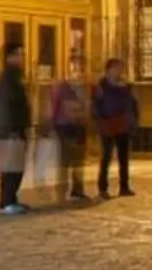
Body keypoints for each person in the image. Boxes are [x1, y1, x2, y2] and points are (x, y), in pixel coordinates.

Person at [0, 48, 33, 215]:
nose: (22, 57)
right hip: (11, 128)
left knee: (17, 166)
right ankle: (6, 201)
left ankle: (12, 198)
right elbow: (8, 106)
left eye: (23, 54)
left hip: (17, 126)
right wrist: (12, 129)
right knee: (11, 166)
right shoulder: (8, 78)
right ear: (9, 57)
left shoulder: (17, 76)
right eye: (18, 54)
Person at [92, 56, 139, 197]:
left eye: (121, 69)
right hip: (107, 124)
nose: (119, 72)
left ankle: (124, 187)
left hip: (123, 124)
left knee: (123, 157)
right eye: (116, 68)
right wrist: (100, 121)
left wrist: (134, 121)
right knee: (106, 156)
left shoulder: (126, 87)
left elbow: (133, 105)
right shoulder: (101, 87)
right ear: (108, 70)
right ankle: (103, 188)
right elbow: (96, 106)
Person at [48, 67, 92, 203]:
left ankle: (77, 189)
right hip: (65, 127)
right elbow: (61, 109)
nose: (78, 75)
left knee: (78, 160)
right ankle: (62, 191)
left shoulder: (85, 89)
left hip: (79, 126)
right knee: (66, 160)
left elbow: (89, 107)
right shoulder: (63, 89)